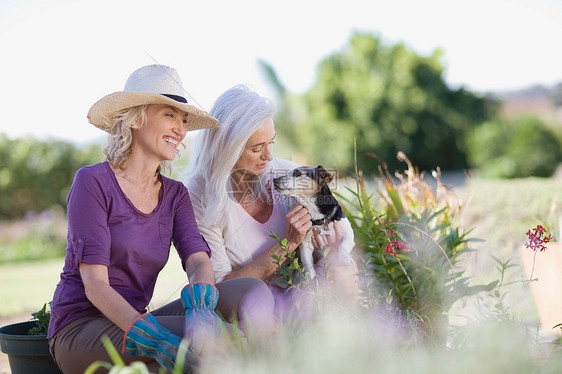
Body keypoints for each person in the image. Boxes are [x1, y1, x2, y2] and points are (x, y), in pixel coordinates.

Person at [47, 65, 274, 374]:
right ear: (136, 117)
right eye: (170, 115)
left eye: (183, 120)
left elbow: (197, 259)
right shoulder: (93, 182)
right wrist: (155, 340)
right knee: (214, 344)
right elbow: (95, 285)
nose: (180, 129)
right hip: (82, 330)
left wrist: (202, 308)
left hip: (137, 322)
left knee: (251, 292)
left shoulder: (174, 195)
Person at [183, 84, 359, 320]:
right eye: (257, 148)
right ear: (228, 149)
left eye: (271, 143)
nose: (269, 156)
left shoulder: (293, 175)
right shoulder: (198, 195)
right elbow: (219, 289)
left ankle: (350, 344)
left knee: (343, 271)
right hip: (248, 315)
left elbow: (333, 232)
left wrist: (331, 249)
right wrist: (287, 243)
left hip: (303, 303)